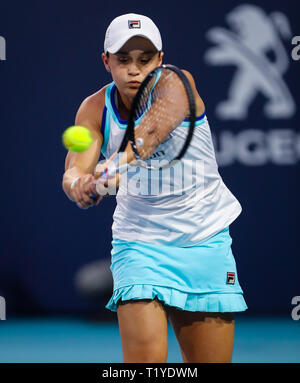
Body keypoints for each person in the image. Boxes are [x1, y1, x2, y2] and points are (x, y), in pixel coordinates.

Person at [62, 13, 247, 363]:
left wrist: (112, 167)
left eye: (145, 60)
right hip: (139, 244)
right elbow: (74, 172)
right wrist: (83, 186)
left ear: (160, 60)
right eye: (123, 60)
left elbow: (146, 136)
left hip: (204, 238)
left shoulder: (177, 84)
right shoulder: (94, 108)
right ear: (106, 61)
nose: (134, 70)